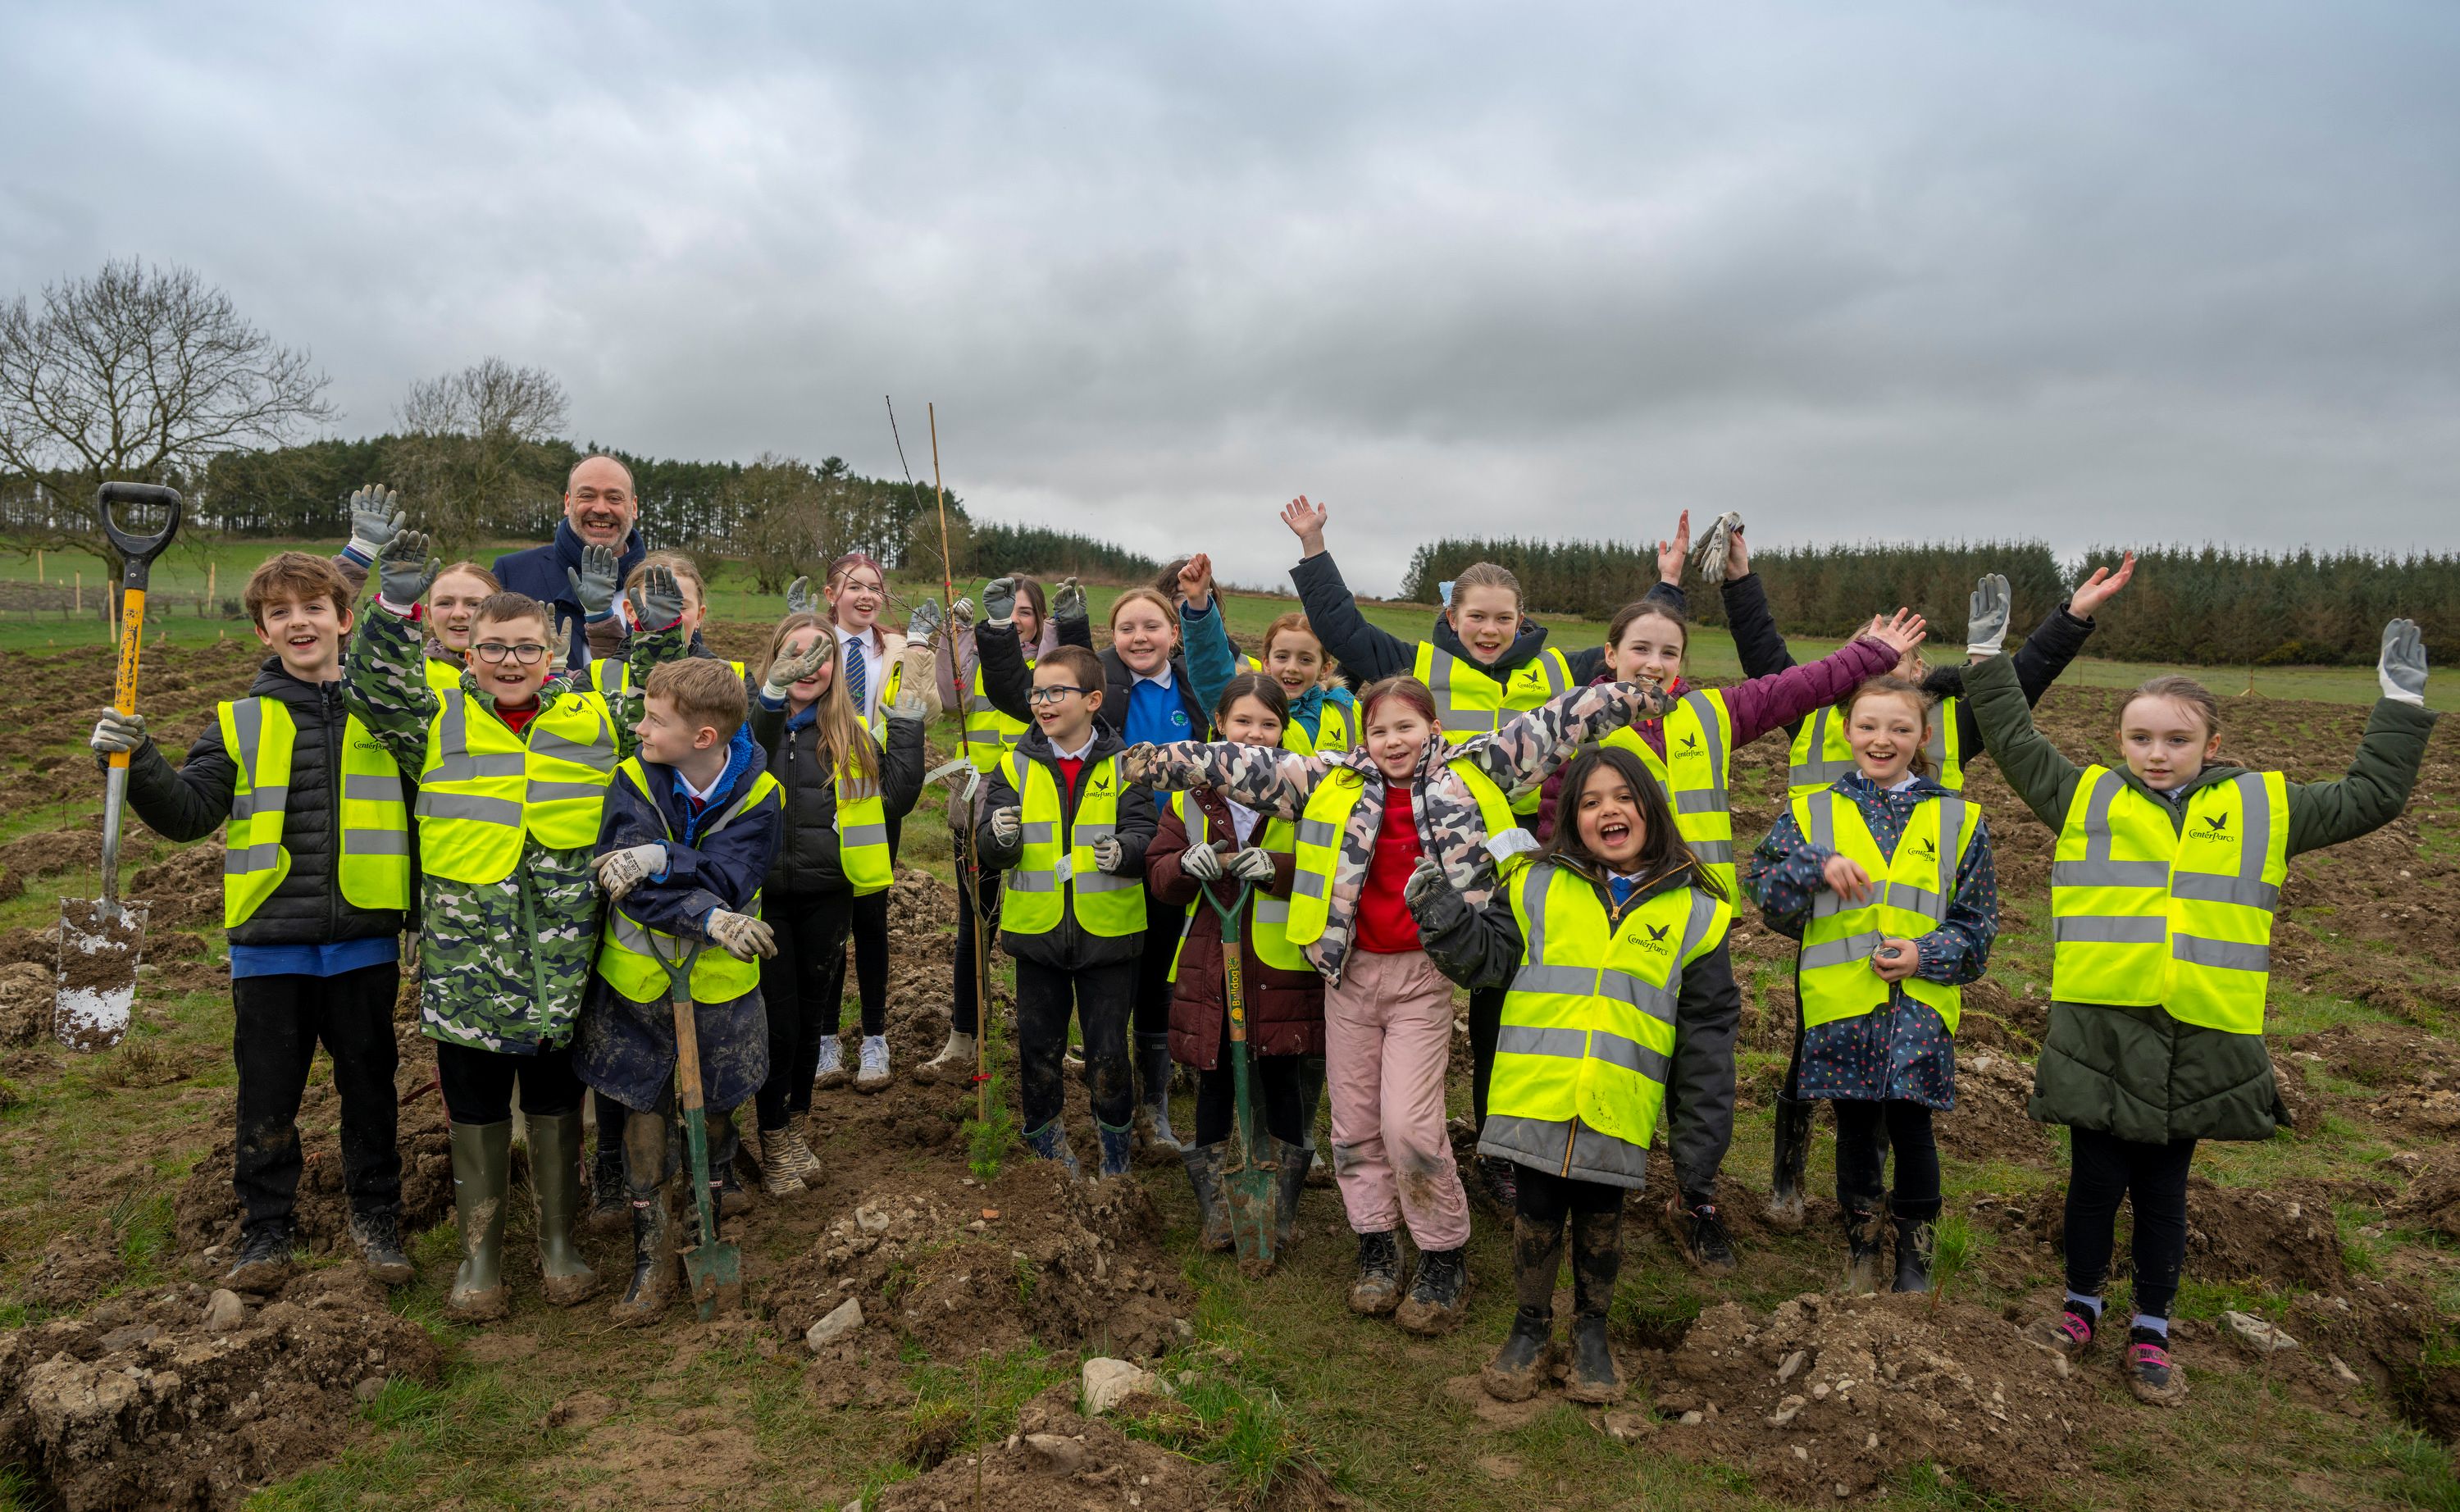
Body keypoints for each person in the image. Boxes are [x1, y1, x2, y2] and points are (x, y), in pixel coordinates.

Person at [1970, 621, 2435, 1405]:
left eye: (2177, 740)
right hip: (2099, 1029)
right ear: (2120, 741)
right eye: (2141, 738)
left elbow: (2372, 795)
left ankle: (2151, 1328)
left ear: (2212, 744)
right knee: (2091, 1183)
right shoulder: (2085, 796)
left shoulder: (2267, 809)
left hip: (2202, 1030)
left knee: (2164, 1194)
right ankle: (2080, 1307)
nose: (2157, 753)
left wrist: (2400, 701)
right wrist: (1987, 660)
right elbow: (2015, 743)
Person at [1122, 673, 1665, 1337]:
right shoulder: (1332, 781)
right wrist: (1160, 760)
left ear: (1432, 729)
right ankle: (1377, 1245)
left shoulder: (1472, 769)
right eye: (1378, 730)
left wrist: (1631, 695)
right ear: (1363, 737)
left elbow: (1552, 726)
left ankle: (1442, 1252)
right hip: (1347, 975)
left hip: (1422, 975)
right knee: (1353, 1127)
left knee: (1410, 1126)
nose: (1392, 741)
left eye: (1405, 727)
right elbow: (1248, 764)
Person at [1695, 517, 2135, 1225]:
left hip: (1913, 930)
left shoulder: (1948, 726)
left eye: (1907, 655)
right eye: (1878, 649)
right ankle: (1787, 1180)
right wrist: (1741, 579)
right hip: (1827, 918)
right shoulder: (1812, 715)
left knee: (1893, 1102)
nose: (1892, 666)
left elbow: (2018, 683)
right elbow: (1763, 653)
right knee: (1811, 1050)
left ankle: (1879, 1216)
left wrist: (2072, 617)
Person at [1521, 597, 1929, 1269]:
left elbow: (1796, 687)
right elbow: (1552, 822)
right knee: (1605, 1059)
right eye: (1641, 650)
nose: (1655, 664)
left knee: (1705, 1072)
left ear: (1684, 662)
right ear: (1611, 654)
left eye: (1670, 652)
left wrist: (1873, 656)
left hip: (1700, 926)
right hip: (1613, 931)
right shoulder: (1574, 726)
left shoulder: (1709, 715)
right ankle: (1587, 1188)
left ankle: (1697, 1200)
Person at [345, 529, 681, 1323]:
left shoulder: (591, 717)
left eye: (524, 648)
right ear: (468, 651)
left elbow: (661, 696)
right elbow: (372, 682)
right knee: (474, 1099)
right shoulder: (433, 713)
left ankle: (558, 1243)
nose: (507, 661)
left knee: (557, 1097)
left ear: (551, 650)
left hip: (563, 954)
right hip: (468, 955)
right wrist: (392, 605)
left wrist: (657, 631)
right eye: (492, 647)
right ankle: (481, 1256)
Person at [91, 552, 415, 1292]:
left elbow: (426, 823)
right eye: (280, 613)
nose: (298, 621)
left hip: (365, 939)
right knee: (267, 1097)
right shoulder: (239, 721)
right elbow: (188, 814)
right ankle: (265, 1234)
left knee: (372, 1089)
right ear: (264, 632)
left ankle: (377, 1219)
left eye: (312, 607)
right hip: (271, 947)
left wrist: (422, 916)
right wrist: (137, 759)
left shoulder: (387, 715)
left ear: (343, 617)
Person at [1409, 745, 1738, 1404]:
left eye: (1622, 797)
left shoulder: (1699, 913)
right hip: (1536, 1089)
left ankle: (1592, 1331)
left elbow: (1706, 1036)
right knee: (1535, 1205)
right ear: (1572, 820)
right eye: (1590, 802)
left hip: (1620, 1098)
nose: (1607, 811)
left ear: (1650, 806)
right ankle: (1529, 1328)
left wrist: (1700, 1144)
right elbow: (1490, 963)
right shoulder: (1536, 884)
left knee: (1600, 1209)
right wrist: (1445, 918)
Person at [1747, 676, 1998, 1293]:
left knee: (1913, 1130)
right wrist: (1812, 868)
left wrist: (1927, 954)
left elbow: (1979, 925)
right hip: (1842, 1005)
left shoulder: (1959, 818)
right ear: (1846, 731)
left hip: (1919, 1006)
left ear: (1924, 737)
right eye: (1868, 727)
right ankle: (1859, 1251)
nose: (1882, 740)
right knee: (1856, 1128)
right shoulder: (1811, 813)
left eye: (1900, 729)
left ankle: (1915, 1264)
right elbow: (1768, 899)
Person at [580, 657, 785, 1324]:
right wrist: (703, 913)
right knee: (644, 1113)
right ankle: (651, 1253)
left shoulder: (761, 795)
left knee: (721, 1107)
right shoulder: (633, 777)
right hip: (639, 983)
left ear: (703, 737)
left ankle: (707, 1227)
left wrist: (667, 859)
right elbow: (629, 887)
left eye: (654, 719)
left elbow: (731, 876)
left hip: (723, 986)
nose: (639, 726)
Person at [747, 608, 931, 1177]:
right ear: (776, 656)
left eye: (821, 654)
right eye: (795, 652)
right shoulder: (751, 722)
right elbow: (745, 761)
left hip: (828, 895)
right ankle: (771, 1133)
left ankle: (793, 1129)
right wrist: (772, 696)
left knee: (806, 1019)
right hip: (763, 898)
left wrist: (906, 722)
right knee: (775, 1023)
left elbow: (896, 798)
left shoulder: (850, 734)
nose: (810, 664)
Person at [1144, 674, 1322, 1250]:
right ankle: (1217, 1206)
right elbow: (1159, 876)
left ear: (1284, 730)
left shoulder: (1304, 799)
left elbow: (1324, 873)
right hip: (1212, 969)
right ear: (1220, 724)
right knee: (1215, 1079)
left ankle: (1283, 1207)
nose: (1256, 733)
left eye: (1269, 724)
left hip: (1280, 969)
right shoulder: (1189, 797)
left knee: (1283, 1079)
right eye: (1244, 721)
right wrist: (1182, 865)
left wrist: (1277, 870)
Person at [974, 644, 1159, 1178]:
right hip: (1037, 937)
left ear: (1093, 699)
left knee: (1107, 1054)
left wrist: (1126, 851)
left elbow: (1146, 832)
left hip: (1110, 938)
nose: (1043, 702)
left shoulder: (1128, 766)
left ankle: (1115, 1149)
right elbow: (991, 844)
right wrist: (999, 839)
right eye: (1037, 692)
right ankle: (1046, 1139)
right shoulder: (1013, 765)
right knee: (1039, 1049)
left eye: (1057, 692)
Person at [921, 572, 1073, 1082]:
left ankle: (1059, 1038)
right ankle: (964, 1036)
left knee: (1059, 922)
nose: (1016, 620)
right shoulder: (978, 656)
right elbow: (947, 693)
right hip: (981, 805)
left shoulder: (1058, 670)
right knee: (976, 924)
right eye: (1010, 611)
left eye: (1026, 612)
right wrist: (955, 633)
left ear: (1041, 620)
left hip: (1050, 807)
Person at [1091, 585, 1213, 1154]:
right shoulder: (1102, 691)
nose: (1140, 638)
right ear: (1112, 638)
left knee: (1162, 975)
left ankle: (1154, 1109)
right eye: (1127, 628)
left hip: (1178, 852)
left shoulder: (1192, 691)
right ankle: (1111, 1097)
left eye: (1152, 627)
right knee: (1117, 975)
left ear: (1173, 634)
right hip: (1117, 850)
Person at [332, 483, 500, 689]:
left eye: (474, 604)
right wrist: (361, 550)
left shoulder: (526, 678)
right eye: (445, 603)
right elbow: (322, 628)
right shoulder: (398, 671)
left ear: (499, 613)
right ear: (428, 616)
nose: (458, 613)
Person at [489, 453, 648, 669]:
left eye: (614, 498)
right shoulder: (512, 573)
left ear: (634, 507)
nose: (601, 509)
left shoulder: (664, 584)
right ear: (567, 502)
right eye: (587, 496)